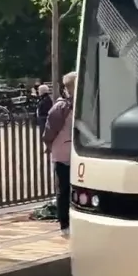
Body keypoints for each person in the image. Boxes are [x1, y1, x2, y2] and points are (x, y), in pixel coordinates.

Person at [42, 72, 75, 238]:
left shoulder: (66, 106)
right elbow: (49, 131)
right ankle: (65, 223)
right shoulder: (62, 107)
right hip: (66, 153)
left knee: (67, 189)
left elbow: (49, 132)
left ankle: (68, 222)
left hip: (70, 153)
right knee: (65, 189)